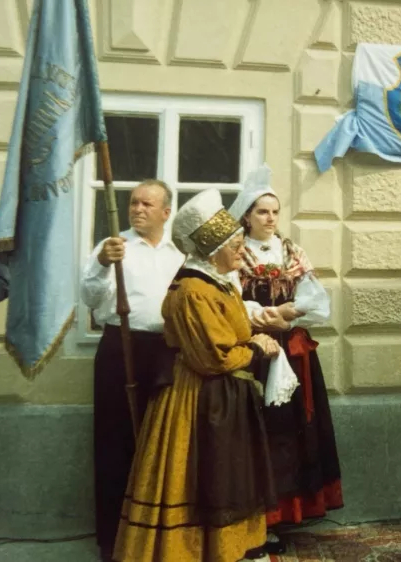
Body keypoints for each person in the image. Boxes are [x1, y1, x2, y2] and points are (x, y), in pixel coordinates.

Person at [112, 189, 280, 562]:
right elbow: (212, 357)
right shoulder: (192, 290)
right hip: (194, 399)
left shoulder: (219, 283)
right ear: (213, 249)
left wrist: (254, 336)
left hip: (222, 395)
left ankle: (224, 549)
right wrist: (255, 348)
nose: (242, 252)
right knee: (197, 476)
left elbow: (227, 335)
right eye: (235, 245)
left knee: (224, 477)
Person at [227, 164, 343, 554]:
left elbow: (317, 302)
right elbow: (228, 303)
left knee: (293, 433)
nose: (270, 217)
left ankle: (287, 513)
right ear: (246, 216)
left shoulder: (292, 251)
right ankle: (255, 518)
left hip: (292, 353)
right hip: (255, 352)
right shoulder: (235, 254)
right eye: (262, 211)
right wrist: (260, 315)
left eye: (275, 211)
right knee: (258, 433)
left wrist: (291, 312)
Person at [78, 180, 185, 561]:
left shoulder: (179, 252)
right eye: (133, 202)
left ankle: (158, 537)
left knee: (162, 445)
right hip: (119, 348)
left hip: (166, 352)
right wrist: (102, 264)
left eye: (146, 203)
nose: (137, 209)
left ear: (166, 212)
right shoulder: (113, 247)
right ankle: (113, 540)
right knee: (115, 443)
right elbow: (90, 299)